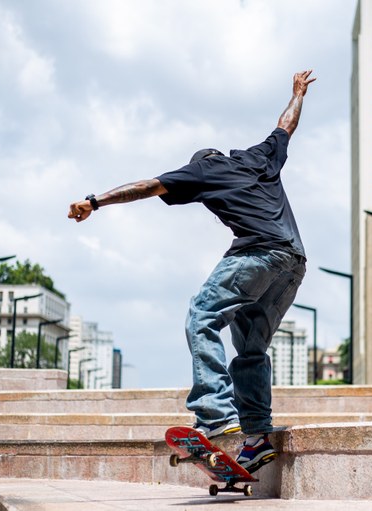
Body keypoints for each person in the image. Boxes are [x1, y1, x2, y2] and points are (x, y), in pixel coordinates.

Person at [68, 70, 316, 473]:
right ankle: (256, 438)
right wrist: (298, 92)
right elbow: (285, 124)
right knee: (251, 347)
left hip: (257, 253)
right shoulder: (259, 156)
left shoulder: (203, 170)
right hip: (293, 263)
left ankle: (215, 414)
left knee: (202, 315)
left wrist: (94, 202)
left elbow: (147, 186)